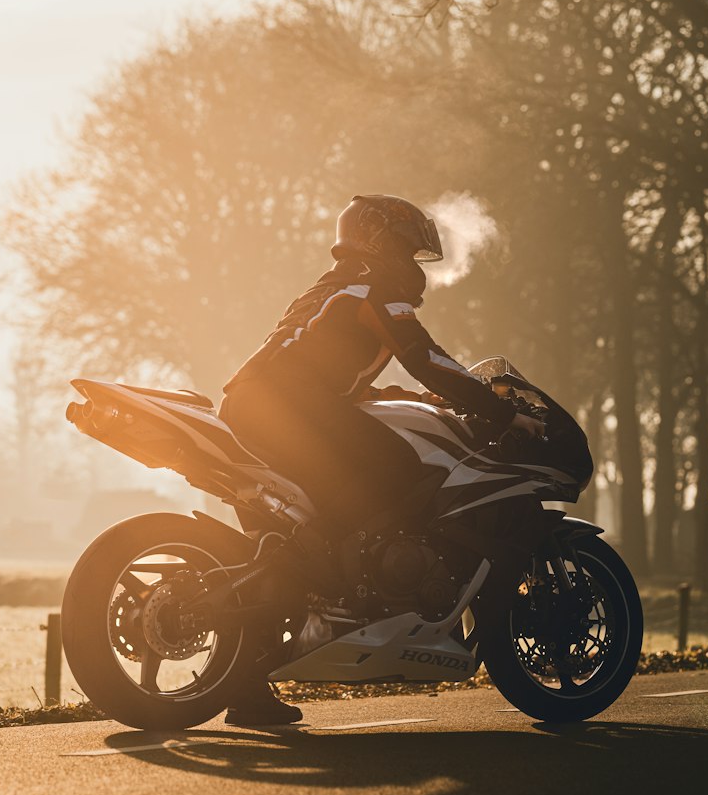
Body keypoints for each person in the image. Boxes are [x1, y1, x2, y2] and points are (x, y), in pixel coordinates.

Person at [218, 193, 544, 727]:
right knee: (405, 468)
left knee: (276, 549)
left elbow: (321, 369)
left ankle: (248, 688)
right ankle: (358, 597)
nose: (414, 267)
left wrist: (415, 400)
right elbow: (427, 358)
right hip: (286, 410)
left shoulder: (332, 288)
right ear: (383, 243)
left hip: (255, 408)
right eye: (409, 251)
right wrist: (498, 412)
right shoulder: (374, 287)